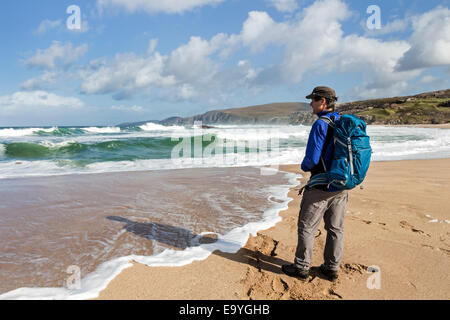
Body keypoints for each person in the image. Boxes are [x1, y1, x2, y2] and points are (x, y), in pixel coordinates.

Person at [282, 86, 349, 282]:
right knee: (336, 229)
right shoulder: (341, 121)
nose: (310, 103)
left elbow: (311, 159)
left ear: (323, 102)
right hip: (342, 183)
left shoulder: (320, 124)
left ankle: (301, 267)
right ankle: (331, 268)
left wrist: (304, 166)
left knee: (307, 227)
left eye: (313, 100)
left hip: (321, 185)